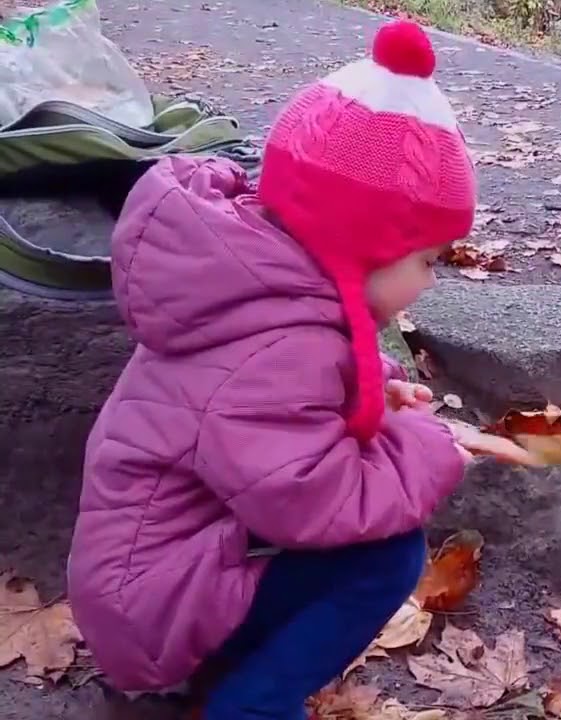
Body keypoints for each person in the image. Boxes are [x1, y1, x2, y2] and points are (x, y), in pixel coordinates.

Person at [66, 19, 476, 720]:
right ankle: (252, 704)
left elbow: (269, 397)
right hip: (152, 614)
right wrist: (428, 449)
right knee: (387, 556)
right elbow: (308, 498)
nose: (431, 282)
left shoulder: (257, 290)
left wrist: (367, 382)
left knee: (362, 544)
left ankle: (218, 669)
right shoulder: (280, 347)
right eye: (428, 261)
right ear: (367, 245)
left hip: (150, 586)